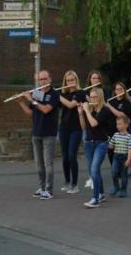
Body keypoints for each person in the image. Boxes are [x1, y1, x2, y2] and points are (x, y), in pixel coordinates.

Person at [17, 70, 60, 200]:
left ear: (50, 79)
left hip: (49, 133)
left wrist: (32, 99)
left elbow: (46, 109)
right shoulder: (37, 93)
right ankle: (41, 188)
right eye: (40, 79)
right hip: (36, 132)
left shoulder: (54, 94)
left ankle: (49, 190)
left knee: (48, 164)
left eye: (44, 79)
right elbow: (31, 113)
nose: (42, 81)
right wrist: (21, 102)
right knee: (39, 164)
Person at [79, 87, 111, 208]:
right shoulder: (90, 111)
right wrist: (81, 114)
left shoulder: (104, 110)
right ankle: (101, 194)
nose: (93, 99)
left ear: (100, 97)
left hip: (101, 144)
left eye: (95, 97)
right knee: (94, 171)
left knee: (94, 169)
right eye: (91, 97)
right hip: (89, 143)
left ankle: (95, 198)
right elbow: (83, 127)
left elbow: (94, 123)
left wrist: (86, 111)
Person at [58, 70, 86, 194]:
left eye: (72, 80)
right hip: (63, 128)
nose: (70, 82)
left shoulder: (81, 93)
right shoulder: (62, 94)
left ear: (76, 80)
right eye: (68, 80)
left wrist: (57, 95)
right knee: (64, 157)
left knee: (71, 155)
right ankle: (67, 182)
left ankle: (75, 184)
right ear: (65, 82)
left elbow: (70, 105)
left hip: (76, 128)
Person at [105, 82, 131, 164]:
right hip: (111, 130)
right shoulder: (111, 101)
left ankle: (122, 171)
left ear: (124, 90)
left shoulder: (127, 103)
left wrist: (109, 106)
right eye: (117, 89)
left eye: (121, 89)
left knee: (122, 153)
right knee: (110, 152)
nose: (119, 91)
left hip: (122, 132)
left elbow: (121, 115)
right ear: (115, 91)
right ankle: (114, 171)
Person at [108, 116, 131, 197]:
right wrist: (109, 142)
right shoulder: (115, 135)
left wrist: (129, 160)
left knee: (124, 175)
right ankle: (116, 186)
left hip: (124, 157)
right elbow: (111, 146)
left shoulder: (129, 136)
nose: (117, 126)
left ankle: (123, 189)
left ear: (126, 125)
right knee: (114, 172)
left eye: (119, 124)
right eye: (117, 124)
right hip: (116, 156)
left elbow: (130, 149)